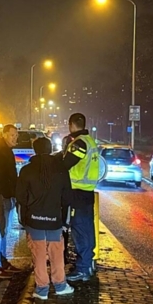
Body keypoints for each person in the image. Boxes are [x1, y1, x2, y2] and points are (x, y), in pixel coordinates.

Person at [17, 136, 74, 299]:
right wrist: (62, 216)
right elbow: (67, 197)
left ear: (35, 150)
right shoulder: (61, 171)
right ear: (50, 150)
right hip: (54, 219)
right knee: (56, 252)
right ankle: (60, 285)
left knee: (38, 254)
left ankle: (42, 289)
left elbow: (20, 197)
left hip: (34, 220)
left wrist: (27, 213)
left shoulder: (26, 170)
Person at [59, 112, 104, 283]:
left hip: (77, 193)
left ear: (71, 125)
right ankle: (88, 264)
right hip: (87, 192)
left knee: (80, 230)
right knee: (87, 229)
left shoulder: (79, 144)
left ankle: (83, 269)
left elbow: (65, 164)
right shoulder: (90, 141)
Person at [0, 124, 23, 279]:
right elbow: (1, 177)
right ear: (4, 135)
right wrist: (8, 194)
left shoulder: (6, 150)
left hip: (7, 195)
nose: (15, 138)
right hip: (2, 196)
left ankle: (3, 261)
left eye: (16, 135)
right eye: (12, 135)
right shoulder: (0, 152)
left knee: (4, 230)